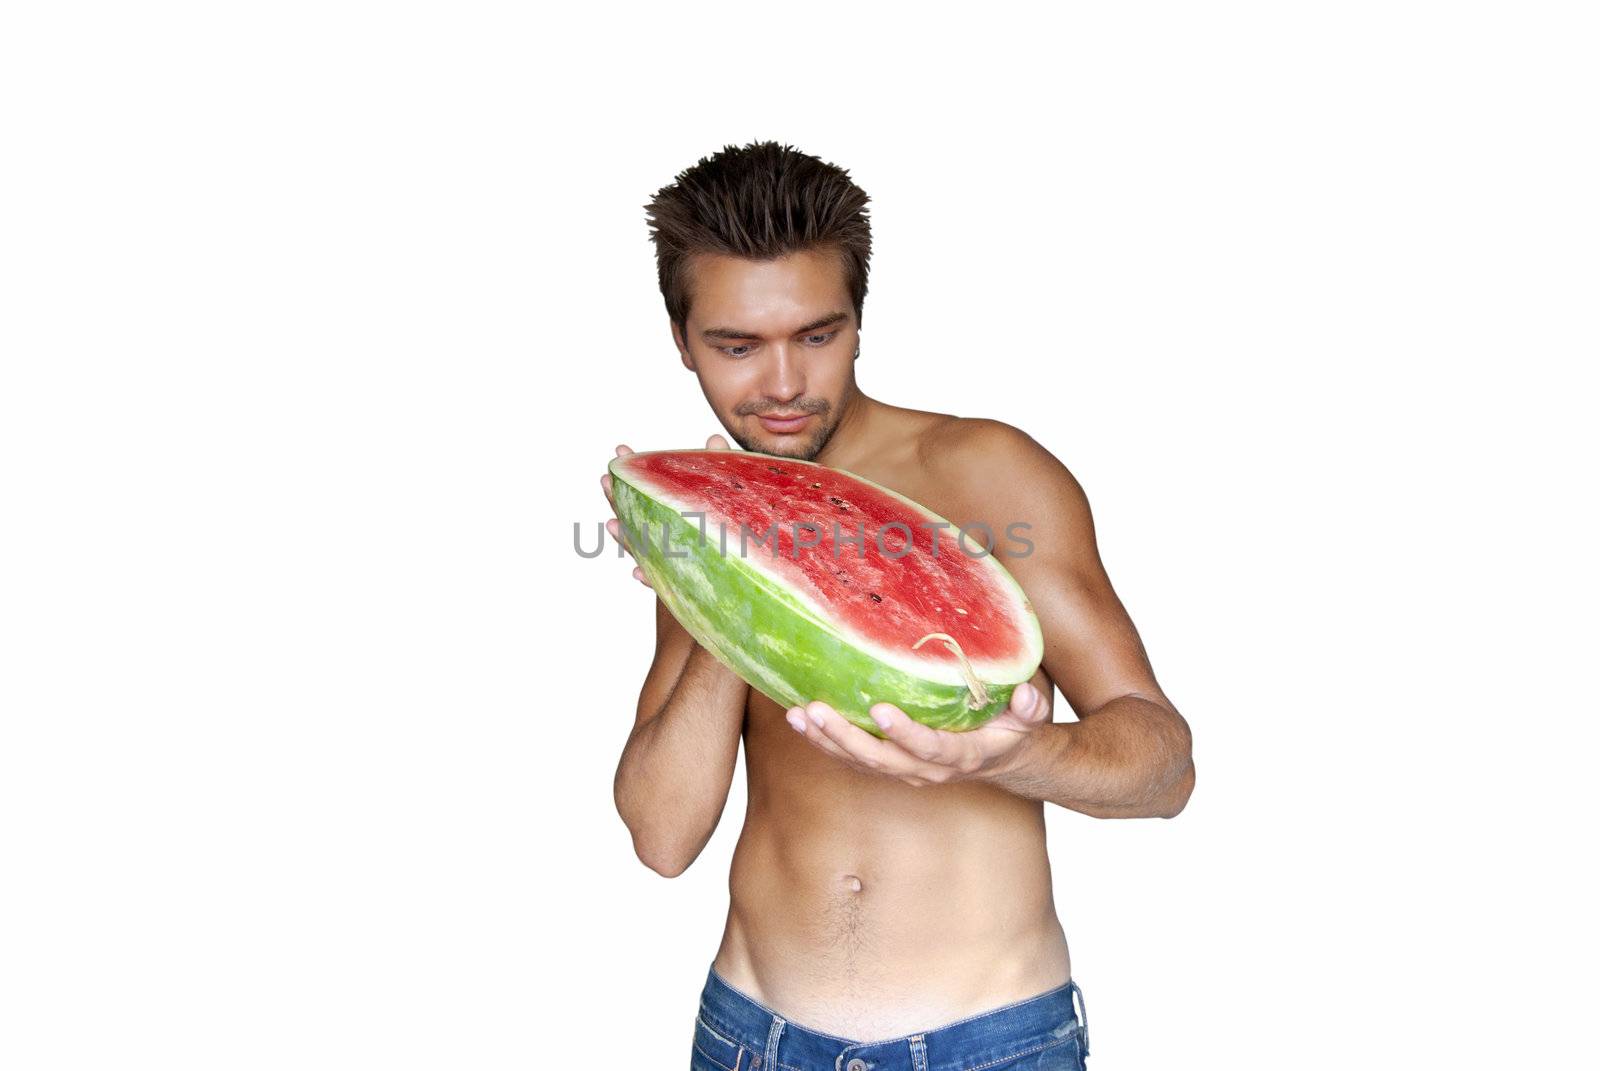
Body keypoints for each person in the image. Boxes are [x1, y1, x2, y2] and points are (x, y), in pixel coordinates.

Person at [600, 141, 1195, 1071]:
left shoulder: (986, 471)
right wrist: (738, 589)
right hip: (752, 1035)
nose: (785, 383)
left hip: (988, 1045)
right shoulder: (703, 517)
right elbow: (663, 835)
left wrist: (1023, 752)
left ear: (861, 321)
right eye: (736, 346)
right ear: (681, 341)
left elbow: (1165, 767)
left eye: (818, 334)